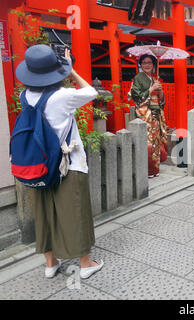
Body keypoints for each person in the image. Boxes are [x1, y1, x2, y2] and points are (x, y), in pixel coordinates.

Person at [15, 44, 104, 279]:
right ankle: (86, 264)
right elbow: (92, 92)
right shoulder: (62, 96)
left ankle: (50, 263)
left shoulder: (24, 95)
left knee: (44, 213)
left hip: (39, 166)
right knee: (75, 211)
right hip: (68, 164)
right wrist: (71, 70)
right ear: (54, 71)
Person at [130, 54, 167, 178]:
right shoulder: (138, 78)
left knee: (156, 141)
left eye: (150, 63)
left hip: (155, 114)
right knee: (147, 141)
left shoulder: (154, 79)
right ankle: (146, 169)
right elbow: (136, 97)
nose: (147, 65)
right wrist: (151, 89)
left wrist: (160, 90)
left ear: (153, 65)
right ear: (140, 65)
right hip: (144, 114)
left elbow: (161, 101)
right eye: (144, 63)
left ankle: (154, 169)